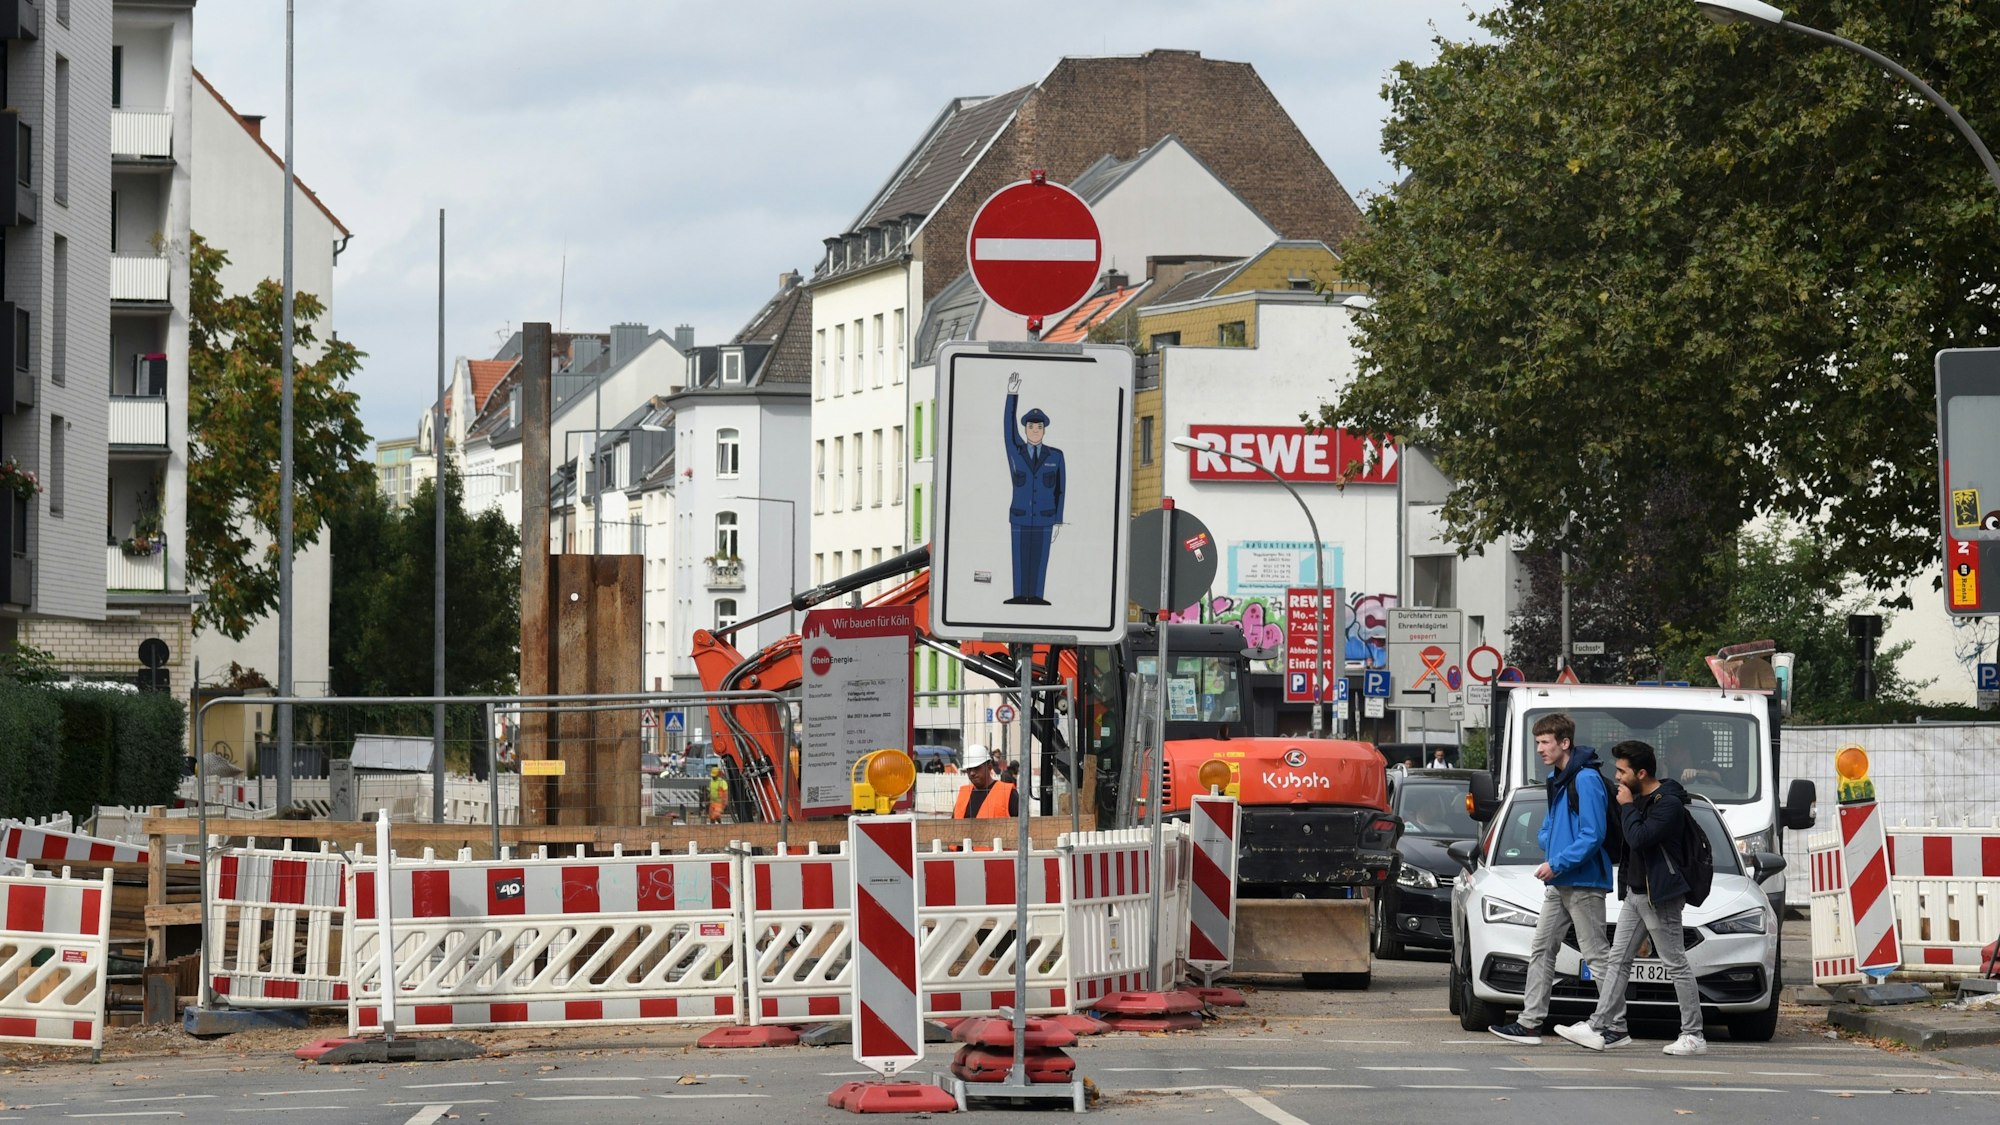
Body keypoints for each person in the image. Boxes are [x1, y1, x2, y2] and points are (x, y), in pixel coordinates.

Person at [1558, 740, 1707, 1056]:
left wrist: (1626, 806)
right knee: (1617, 960)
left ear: (1641, 772)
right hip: (1637, 894)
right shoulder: (1638, 799)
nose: (1618, 776)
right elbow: (1625, 843)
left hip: (1660, 897)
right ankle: (1599, 1026)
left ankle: (1694, 1034)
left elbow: (1640, 838)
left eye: (1623, 771)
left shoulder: (1668, 804)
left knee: (1675, 962)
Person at [1489, 713, 1614, 1045]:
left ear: (1564, 743)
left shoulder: (1585, 779)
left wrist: (1556, 862)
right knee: (1542, 948)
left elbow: (1593, 835)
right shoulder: (1559, 777)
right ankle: (1530, 1023)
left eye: (1545, 742)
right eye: (1538, 742)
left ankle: (1615, 1026)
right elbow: (1553, 825)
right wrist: (1548, 840)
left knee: (1596, 954)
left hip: (1584, 881)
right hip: (1561, 882)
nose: (1540, 749)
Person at [1002, 372, 1065, 606]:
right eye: (1031, 426)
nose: (1035, 430)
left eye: (1039, 427)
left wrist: (1058, 520)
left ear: (1044, 430)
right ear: (1025, 429)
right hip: (1019, 516)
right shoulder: (1015, 451)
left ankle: (1036, 596)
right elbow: (1008, 429)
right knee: (1020, 557)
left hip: (1044, 518)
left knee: (1040, 559)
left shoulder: (1056, 456)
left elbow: (1060, 490)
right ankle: (1020, 595)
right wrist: (1012, 394)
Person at [951, 744, 1019, 819]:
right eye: (969, 769)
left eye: (976, 768)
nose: (972, 773)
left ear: (989, 767)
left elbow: (1023, 826)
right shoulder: (964, 794)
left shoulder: (1007, 793)